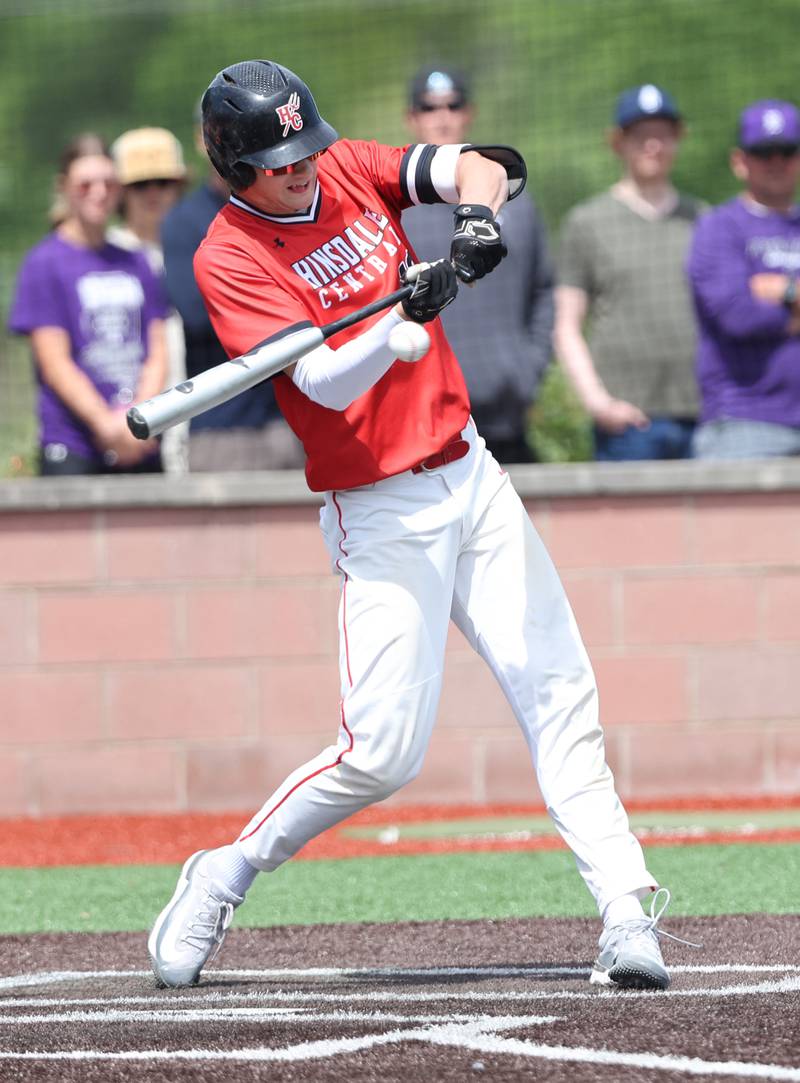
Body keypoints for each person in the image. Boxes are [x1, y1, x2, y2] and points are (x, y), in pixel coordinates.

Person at [147, 59, 675, 994]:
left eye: (304, 149)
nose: (302, 169)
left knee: (559, 691)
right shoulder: (226, 256)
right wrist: (398, 319)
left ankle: (627, 909)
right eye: (280, 161)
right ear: (236, 166)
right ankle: (225, 872)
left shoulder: (345, 163)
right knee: (382, 752)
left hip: (469, 470)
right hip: (379, 505)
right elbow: (317, 381)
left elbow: (483, 164)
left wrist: (473, 225)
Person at [401, 65, 554, 464]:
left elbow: (544, 290)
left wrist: (528, 366)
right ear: (411, 118)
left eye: (453, 105)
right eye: (429, 107)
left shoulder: (510, 198)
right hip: (426, 421)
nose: (443, 116)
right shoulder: (395, 207)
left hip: (506, 416)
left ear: (469, 112)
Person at [555, 84, 703, 461]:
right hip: (627, 422)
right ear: (617, 142)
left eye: (664, 134)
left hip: (704, 417)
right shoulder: (587, 222)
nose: (654, 145)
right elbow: (566, 324)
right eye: (641, 135)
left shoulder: (704, 220)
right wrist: (597, 402)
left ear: (678, 139)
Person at [8, 133, 167, 475]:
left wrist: (140, 419)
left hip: (141, 441)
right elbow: (55, 363)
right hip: (74, 445)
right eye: (85, 185)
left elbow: (157, 350)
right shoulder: (44, 263)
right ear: (64, 188)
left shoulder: (138, 262)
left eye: (109, 183)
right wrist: (107, 426)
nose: (99, 193)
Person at [161, 102, 304, 470]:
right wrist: (282, 297)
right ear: (201, 140)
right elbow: (197, 312)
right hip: (224, 423)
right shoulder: (184, 221)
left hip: (291, 413)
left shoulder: (284, 205)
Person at [687, 100, 800, 458]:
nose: (776, 162)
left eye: (787, 151)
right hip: (745, 424)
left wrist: (781, 290)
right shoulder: (719, 227)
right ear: (740, 160)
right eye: (764, 152)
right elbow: (737, 314)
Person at [109, 127, 189, 474]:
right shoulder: (105, 255)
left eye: (162, 181)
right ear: (121, 192)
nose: (152, 193)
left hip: (191, 410)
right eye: (140, 185)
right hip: (126, 417)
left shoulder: (198, 247)